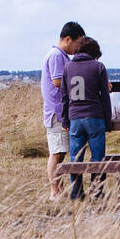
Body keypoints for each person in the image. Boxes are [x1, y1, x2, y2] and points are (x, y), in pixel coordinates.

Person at [60, 36, 113, 202]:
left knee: (76, 158)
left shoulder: (68, 67)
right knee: (98, 158)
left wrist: (65, 120)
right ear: (94, 53)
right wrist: (108, 120)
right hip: (94, 117)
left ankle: (76, 193)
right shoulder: (98, 67)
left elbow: (64, 97)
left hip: (75, 117)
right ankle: (97, 192)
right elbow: (105, 96)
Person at [41, 21, 85, 200]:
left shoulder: (63, 56)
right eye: (77, 43)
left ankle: (58, 190)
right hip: (56, 112)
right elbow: (58, 81)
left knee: (61, 152)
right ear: (68, 39)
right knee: (57, 153)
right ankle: (54, 192)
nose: (78, 48)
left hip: (61, 112)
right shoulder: (56, 56)